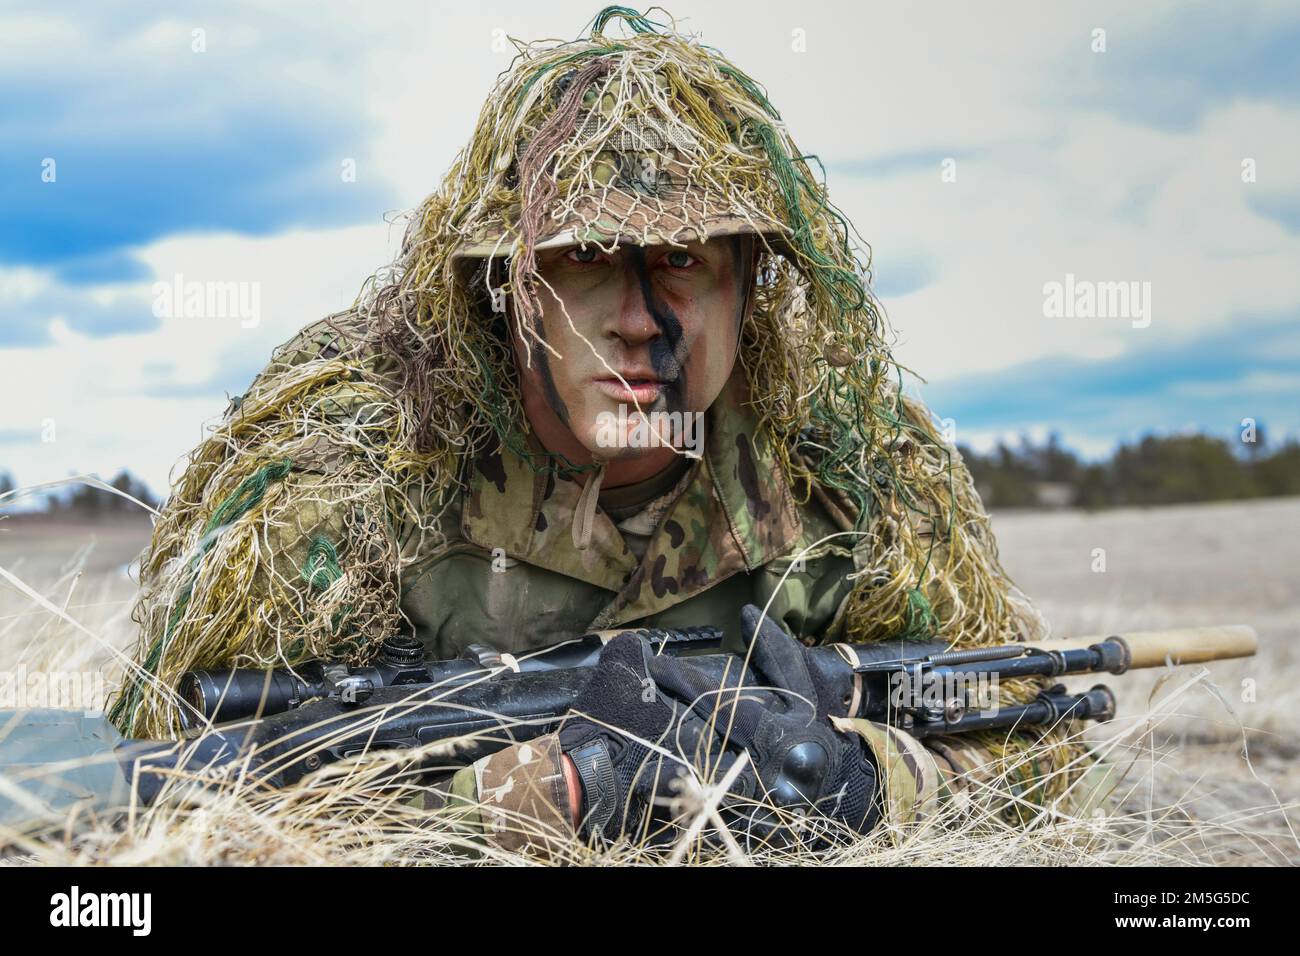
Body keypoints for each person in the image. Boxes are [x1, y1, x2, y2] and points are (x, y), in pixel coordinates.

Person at [112, 7, 1079, 854]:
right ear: (509, 294)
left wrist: (867, 786)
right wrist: (536, 799)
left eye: (679, 261)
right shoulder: (341, 492)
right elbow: (172, 806)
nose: (636, 318)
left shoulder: (860, 486)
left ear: (748, 285)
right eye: (582, 262)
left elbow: (1054, 761)